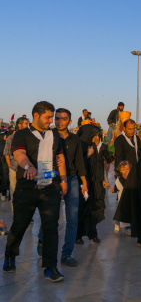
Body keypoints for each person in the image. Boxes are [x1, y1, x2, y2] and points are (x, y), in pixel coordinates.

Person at [3, 101, 68, 282]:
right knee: (19, 226)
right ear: (37, 116)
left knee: (51, 227)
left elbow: (60, 157)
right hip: (27, 188)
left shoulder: (54, 134)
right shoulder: (21, 134)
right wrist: (29, 167)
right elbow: (19, 154)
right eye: (48, 117)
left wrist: (63, 180)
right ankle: (10, 255)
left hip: (50, 188)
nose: (51, 121)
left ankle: (50, 267)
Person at [37, 109, 88, 267]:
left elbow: (79, 161)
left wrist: (84, 182)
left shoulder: (75, 140)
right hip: (53, 180)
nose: (59, 122)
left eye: (64, 119)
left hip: (72, 180)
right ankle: (42, 238)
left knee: (72, 220)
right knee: (51, 217)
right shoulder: (48, 136)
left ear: (70, 121)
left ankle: (67, 254)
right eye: (57, 118)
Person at [76, 124, 110, 244]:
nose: (97, 136)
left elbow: (97, 167)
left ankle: (93, 234)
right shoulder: (80, 146)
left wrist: (102, 180)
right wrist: (88, 154)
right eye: (95, 134)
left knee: (95, 209)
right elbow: (79, 165)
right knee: (83, 209)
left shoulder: (93, 147)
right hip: (84, 184)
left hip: (95, 184)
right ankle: (78, 236)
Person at [113, 119, 141, 239]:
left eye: (133, 128)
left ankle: (128, 223)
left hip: (136, 173)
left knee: (135, 200)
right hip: (125, 174)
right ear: (124, 128)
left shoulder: (136, 138)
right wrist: (123, 173)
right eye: (129, 129)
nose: (132, 131)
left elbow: (140, 152)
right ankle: (127, 227)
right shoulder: (119, 140)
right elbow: (119, 158)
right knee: (125, 200)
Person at [3, 117, 29, 207]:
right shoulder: (11, 138)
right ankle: (16, 217)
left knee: (27, 195)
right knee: (14, 193)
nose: (28, 125)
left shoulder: (29, 138)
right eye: (26, 123)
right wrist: (11, 167)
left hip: (27, 171)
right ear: (19, 125)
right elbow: (6, 154)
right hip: (14, 169)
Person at [112, 161, 132, 234]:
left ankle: (129, 228)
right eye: (123, 170)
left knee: (129, 214)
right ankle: (118, 225)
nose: (126, 171)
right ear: (120, 171)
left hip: (130, 199)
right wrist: (113, 189)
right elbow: (118, 187)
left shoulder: (131, 178)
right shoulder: (119, 179)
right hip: (122, 199)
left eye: (127, 169)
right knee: (121, 213)